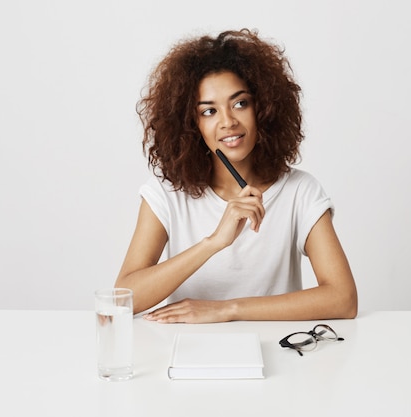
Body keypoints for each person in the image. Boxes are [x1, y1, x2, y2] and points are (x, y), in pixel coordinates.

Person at [115, 29, 357, 323]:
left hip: (277, 357)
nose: (228, 121)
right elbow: (123, 299)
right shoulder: (166, 193)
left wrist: (227, 310)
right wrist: (214, 241)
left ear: (263, 108)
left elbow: (343, 299)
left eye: (240, 103)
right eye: (209, 112)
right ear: (191, 125)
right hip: (186, 352)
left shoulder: (299, 190)